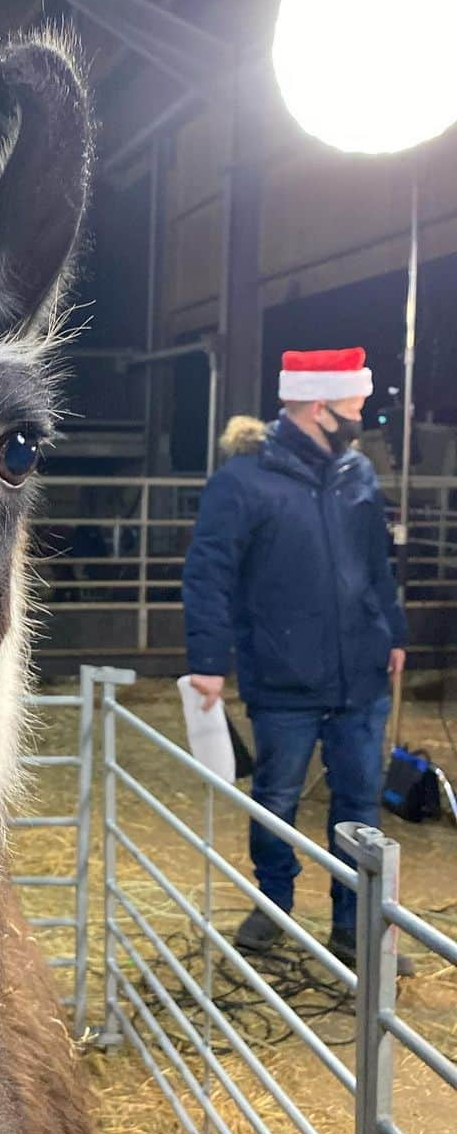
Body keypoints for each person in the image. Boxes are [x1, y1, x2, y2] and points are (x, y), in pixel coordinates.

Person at [182, 347, 411, 973]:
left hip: (360, 673)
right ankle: (274, 908)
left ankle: (353, 925)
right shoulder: (243, 482)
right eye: (354, 407)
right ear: (319, 407)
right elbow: (210, 572)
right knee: (277, 798)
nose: (361, 417)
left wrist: (393, 629)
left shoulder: (358, 474)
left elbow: (375, 566)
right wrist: (207, 659)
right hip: (284, 675)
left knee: (359, 803)